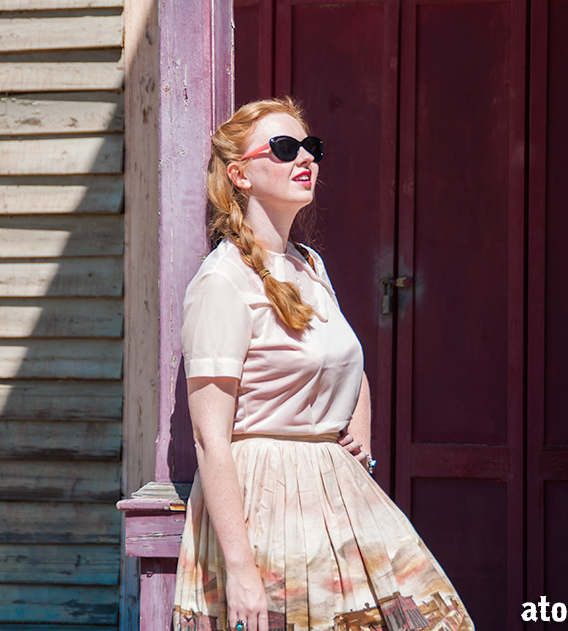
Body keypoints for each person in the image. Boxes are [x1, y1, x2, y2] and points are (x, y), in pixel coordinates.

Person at [173, 97, 474, 631]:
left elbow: (347, 361)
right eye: (285, 148)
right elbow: (209, 437)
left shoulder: (309, 265)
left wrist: (360, 441)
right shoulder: (222, 281)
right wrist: (240, 570)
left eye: (310, 146)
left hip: (336, 492)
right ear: (240, 175)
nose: (306, 157)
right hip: (265, 501)